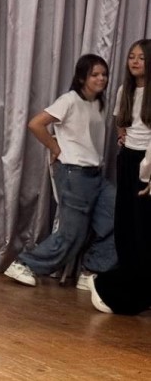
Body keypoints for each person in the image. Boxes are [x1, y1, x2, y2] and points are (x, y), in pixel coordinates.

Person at [4, 54, 117, 288]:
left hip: (95, 173)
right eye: (95, 75)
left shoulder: (99, 104)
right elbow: (36, 123)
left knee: (118, 217)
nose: (101, 79)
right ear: (82, 77)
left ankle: (92, 269)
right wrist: (55, 147)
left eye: (104, 74)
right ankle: (24, 264)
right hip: (74, 173)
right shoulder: (69, 100)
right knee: (72, 233)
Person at [91, 39, 151, 314]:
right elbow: (120, 121)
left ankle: (138, 289)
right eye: (131, 57)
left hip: (147, 163)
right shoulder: (123, 90)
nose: (135, 61)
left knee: (143, 228)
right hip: (128, 160)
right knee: (126, 224)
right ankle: (127, 283)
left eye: (141, 57)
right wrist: (121, 137)